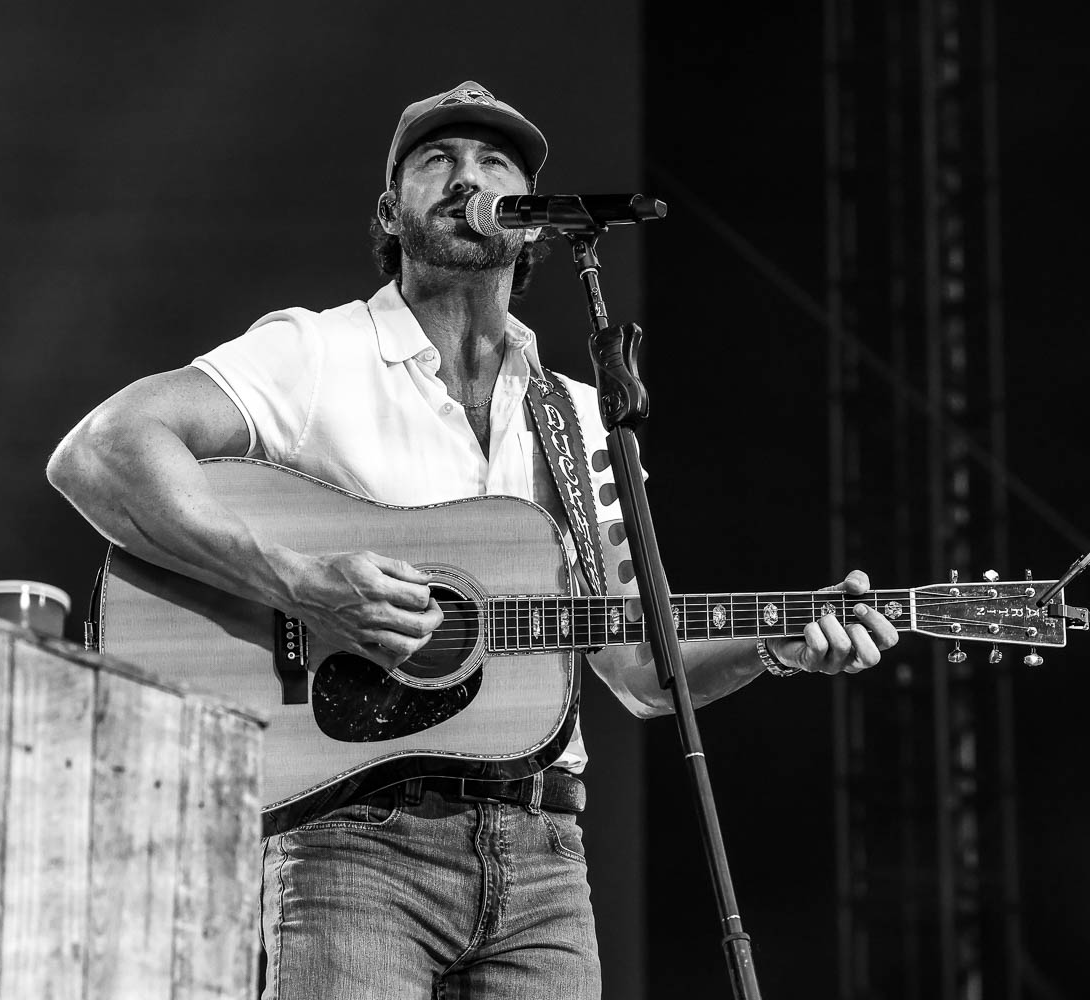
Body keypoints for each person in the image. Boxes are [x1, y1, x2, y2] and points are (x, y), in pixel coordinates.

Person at [46, 80, 899, 1000]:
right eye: (436, 160)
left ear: (532, 224)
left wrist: (778, 643)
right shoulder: (316, 353)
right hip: (353, 848)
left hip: (544, 868)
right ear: (391, 209)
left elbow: (641, 670)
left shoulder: (577, 419)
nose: (467, 177)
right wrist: (302, 581)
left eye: (495, 163)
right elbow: (102, 451)